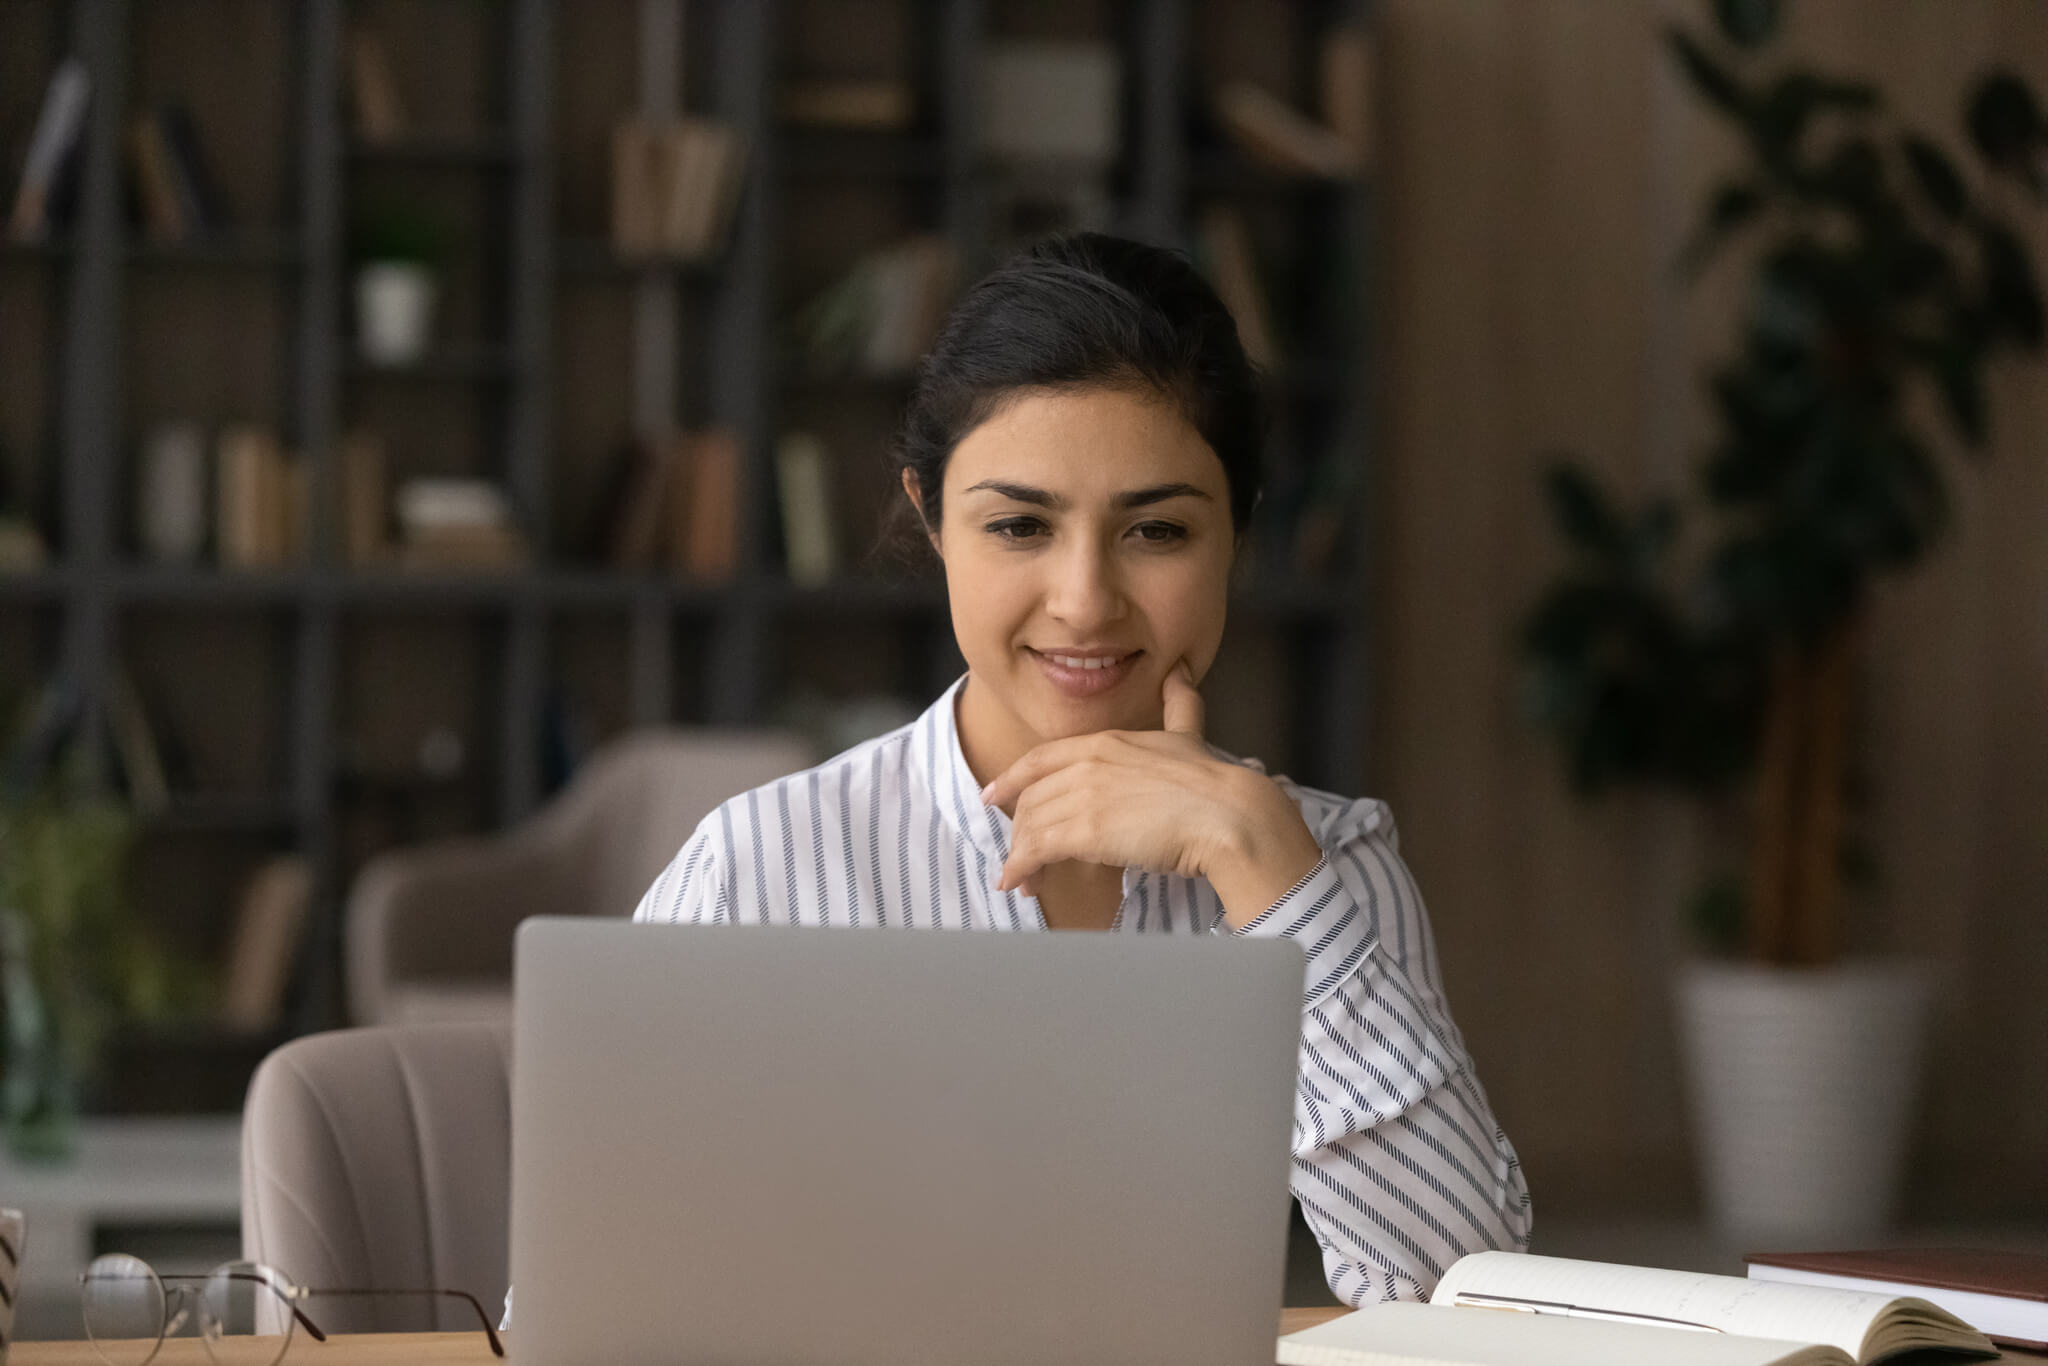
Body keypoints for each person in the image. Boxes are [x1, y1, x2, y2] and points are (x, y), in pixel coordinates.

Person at [508, 233, 1528, 1328]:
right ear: (931, 516)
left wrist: (1265, 875)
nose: (1084, 600)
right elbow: (578, 1315)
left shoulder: (1322, 864)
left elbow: (1465, 1297)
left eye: (1156, 528)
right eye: (1018, 525)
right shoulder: (759, 865)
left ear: (1238, 529)